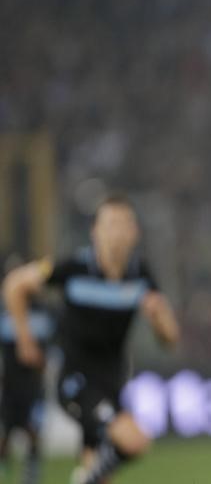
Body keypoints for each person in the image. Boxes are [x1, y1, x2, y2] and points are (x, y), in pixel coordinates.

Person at [2, 195, 181, 483]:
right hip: (75, 380)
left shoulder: (140, 276)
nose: (116, 232)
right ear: (95, 232)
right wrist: (25, 340)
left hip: (113, 383)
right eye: (110, 224)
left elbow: (170, 340)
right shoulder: (74, 269)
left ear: (135, 233)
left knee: (100, 475)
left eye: (123, 225)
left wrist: (159, 316)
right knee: (134, 440)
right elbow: (14, 285)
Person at [0, 255, 55, 484]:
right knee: (5, 433)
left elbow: (54, 347)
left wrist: (41, 360)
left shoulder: (44, 312)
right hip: (8, 385)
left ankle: (31, 473)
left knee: (33, 430)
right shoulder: (3, 313)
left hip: (34, 384)